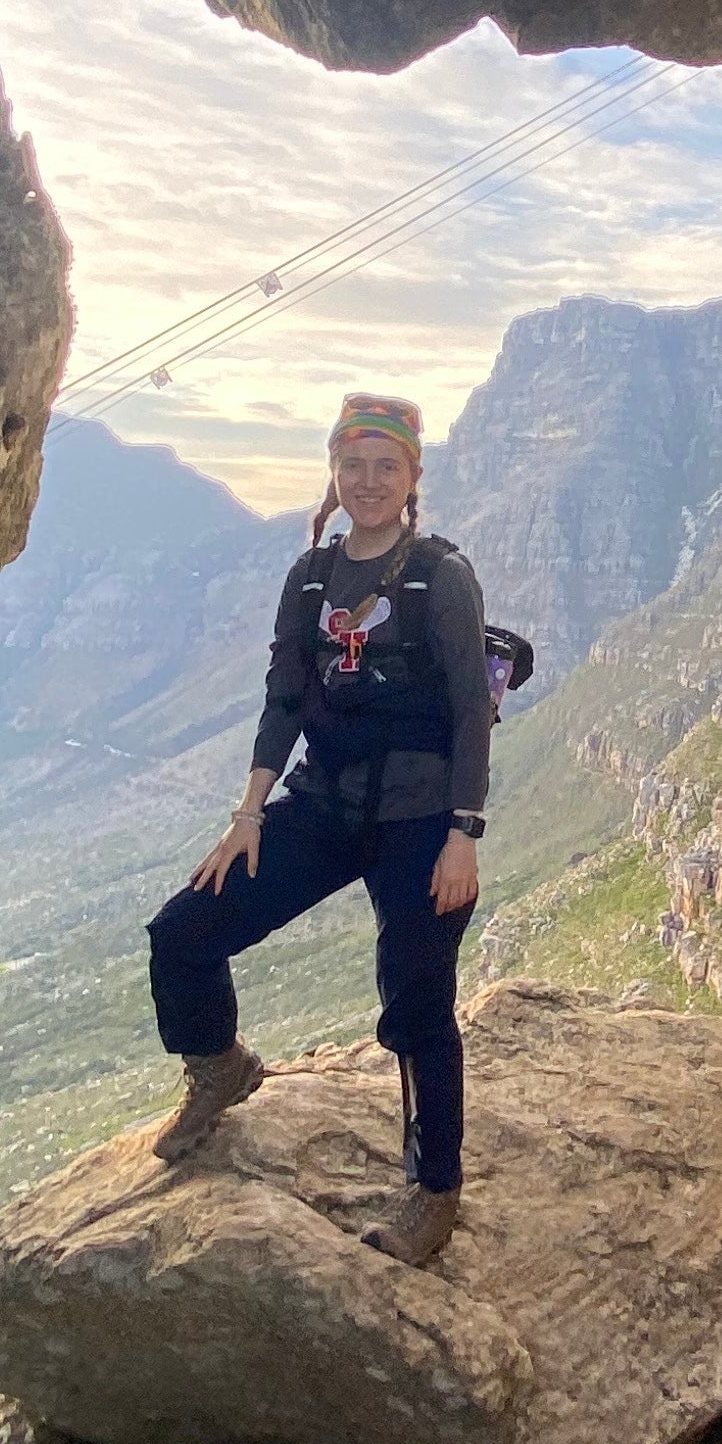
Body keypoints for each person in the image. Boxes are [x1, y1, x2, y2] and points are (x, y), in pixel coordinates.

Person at [142, 392, 492, 1268]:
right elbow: (284, 699)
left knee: (416, 1002)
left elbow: (468, 713)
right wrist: (248, 815)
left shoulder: (438, 575)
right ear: (333, 472)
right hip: (326, 803)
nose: (367, 481)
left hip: (419, 816)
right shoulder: (308, 578)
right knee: (182, 931)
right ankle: (219, 1066)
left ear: (412, 477)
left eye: (386, 465)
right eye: (353, 463)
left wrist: (463, 835)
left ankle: (434, 1186)